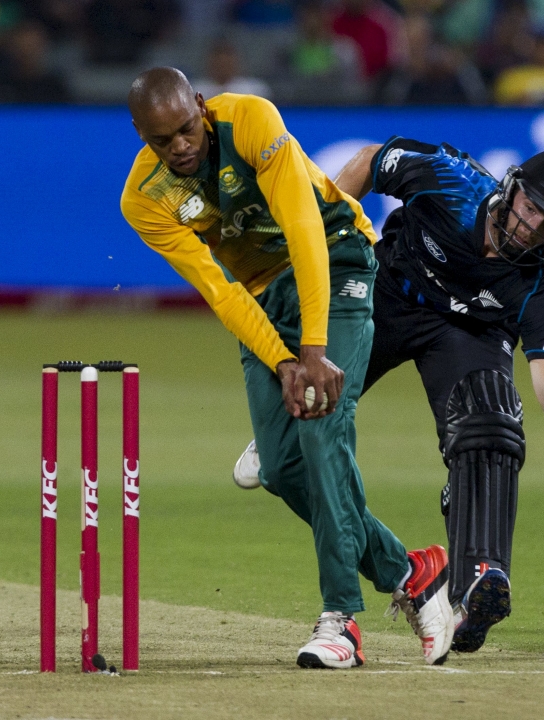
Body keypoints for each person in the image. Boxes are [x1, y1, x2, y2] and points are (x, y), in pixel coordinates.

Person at [235, 137, 544, 654]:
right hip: (388, 291)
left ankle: (478, 578)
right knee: (293, 451)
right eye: (530, 209)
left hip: (468, 335)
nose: (530, 229)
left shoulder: (543, 281)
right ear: (511, 187)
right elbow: (368, 160)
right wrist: (318, 245)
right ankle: (281, 431)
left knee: (490, 419)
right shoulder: (450, 180)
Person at [120, 68, 454, 669]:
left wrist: (314, 351)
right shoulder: (143, 198)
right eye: (162, 140)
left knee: (322, 424)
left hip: (336, 254)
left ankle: (341, 620)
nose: (181, 147)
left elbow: (304, 229)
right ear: (141, 136)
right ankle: (410, 570)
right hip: (260, 298)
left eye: (188, 129)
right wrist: (280, 359)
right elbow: (221, 292)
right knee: (278, 468)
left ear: (201, 106)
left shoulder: (251, 120)